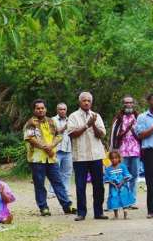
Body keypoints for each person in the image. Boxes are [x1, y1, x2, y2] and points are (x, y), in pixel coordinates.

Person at [24, 99, 75, 216]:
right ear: (34, 110)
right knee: (39, 184)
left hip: (51, 158)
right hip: (37, 159)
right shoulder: (30, 123)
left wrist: (51, 145)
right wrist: (44, 147)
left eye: (42, 108)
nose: (40, 110)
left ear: (45, 109)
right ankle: (44, 208)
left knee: (58, 182)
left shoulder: (51, 121)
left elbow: (59, 135)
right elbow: (30, 138)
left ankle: (67, 206)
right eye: (38, 108)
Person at [67, 92, 108, 221]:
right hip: (80, 157)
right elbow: (72, 134)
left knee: (99, 185)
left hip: (96, 156)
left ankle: (98, 212)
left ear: (91, 102)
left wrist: (93, 124)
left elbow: (101, 135)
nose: (86, 103)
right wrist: (86, 125)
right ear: (80, 102)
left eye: (89, 101)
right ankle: (81, 213)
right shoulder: (73, 116)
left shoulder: (96, 116)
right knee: (80, 186)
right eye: (84, 100)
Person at [110, 96, 140, 209]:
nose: (128, 104)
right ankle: (124, 200)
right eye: (126, 103)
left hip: (136, 151)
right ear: (123, 104)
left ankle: (132, 200)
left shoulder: (138, 117)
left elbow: (141, 132)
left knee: (134, 176)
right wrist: (113, 149)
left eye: (130, 102)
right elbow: (114, 134)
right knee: (122, 176)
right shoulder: (118, 118)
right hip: (122, 152)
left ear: (133, 104)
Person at [49, 103, 73, 197]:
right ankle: (52, 192)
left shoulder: (70, 120)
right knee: (54, 172)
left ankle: (65, 191)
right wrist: (64, 127)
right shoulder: (52, 120)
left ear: (66, 110)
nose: (62, 111)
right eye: (60, 109)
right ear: (57, 110)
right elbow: (53, 133)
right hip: (56, 149)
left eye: (64, 109)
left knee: (67, 172)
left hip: (68, 149)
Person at [104, 151, 135, 220]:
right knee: (114, 199)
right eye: (112, 158)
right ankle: (116, 215)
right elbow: (107, 178)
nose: (114, 159)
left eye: (116, 158)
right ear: (109, 159)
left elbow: (127, 175)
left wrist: (122, 182)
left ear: (119, 158)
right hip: (113, 188)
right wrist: (113, 183)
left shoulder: (122, 166)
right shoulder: (108, 169)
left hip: (123, 187)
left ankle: (125, 215)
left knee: (124, 199)